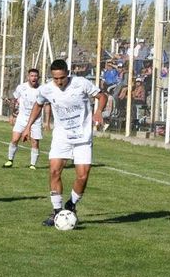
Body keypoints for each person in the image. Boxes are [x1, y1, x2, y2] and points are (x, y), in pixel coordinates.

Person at [21, 59, 108, 226]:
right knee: (54, 172)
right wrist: (28, 127)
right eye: (55, 78)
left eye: (62, 78)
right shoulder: (46, 89)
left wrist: (98, 111)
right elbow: (38, 105)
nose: (59, 82)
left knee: (82, 176)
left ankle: (71, 205)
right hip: (62, 137)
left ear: (67, 73)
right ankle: (56, 212)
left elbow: (102, 96)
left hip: (83, 138)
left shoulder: (80, 83)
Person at [3, 68, 50, 170]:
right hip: (21, 118)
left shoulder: (42, 90)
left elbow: (46, 105)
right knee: (15, 139)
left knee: (34, 142)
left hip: (36, 120)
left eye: (36, 76)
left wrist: (46, 121)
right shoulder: (21, 87)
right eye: (32, 76)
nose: (34, 78)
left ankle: (32, 165)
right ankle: (10, 160)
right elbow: (13, 100)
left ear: (38, 77)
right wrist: (11, 115)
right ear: (28, 77)